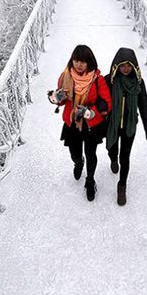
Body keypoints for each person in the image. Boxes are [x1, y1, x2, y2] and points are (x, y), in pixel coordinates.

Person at [50, 44, 111, 201]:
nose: (79, 64)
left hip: (91, 125)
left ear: (89, 62)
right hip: (72, 124)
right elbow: (62, 100)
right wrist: (56, 98)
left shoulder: (97, 79)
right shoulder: (65, 77)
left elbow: (107, 102)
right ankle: (78, 163)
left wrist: (90, 112)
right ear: (72, 60)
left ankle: (90, 180)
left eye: (83, 61)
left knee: (91, 154)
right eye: (76, 60)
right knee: (75, 154)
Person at [104, 47, 147, 206]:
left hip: (129, 126)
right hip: (111, 124)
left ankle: (122, 186)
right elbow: (99, 100)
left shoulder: (138, 83)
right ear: (116, 66)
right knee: (112, 149)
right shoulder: (109, 80)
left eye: (129, 65)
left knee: (125, 157)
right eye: (122, 65)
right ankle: (113, 160)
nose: (125, 69)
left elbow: (144, 106)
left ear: (134, 66)